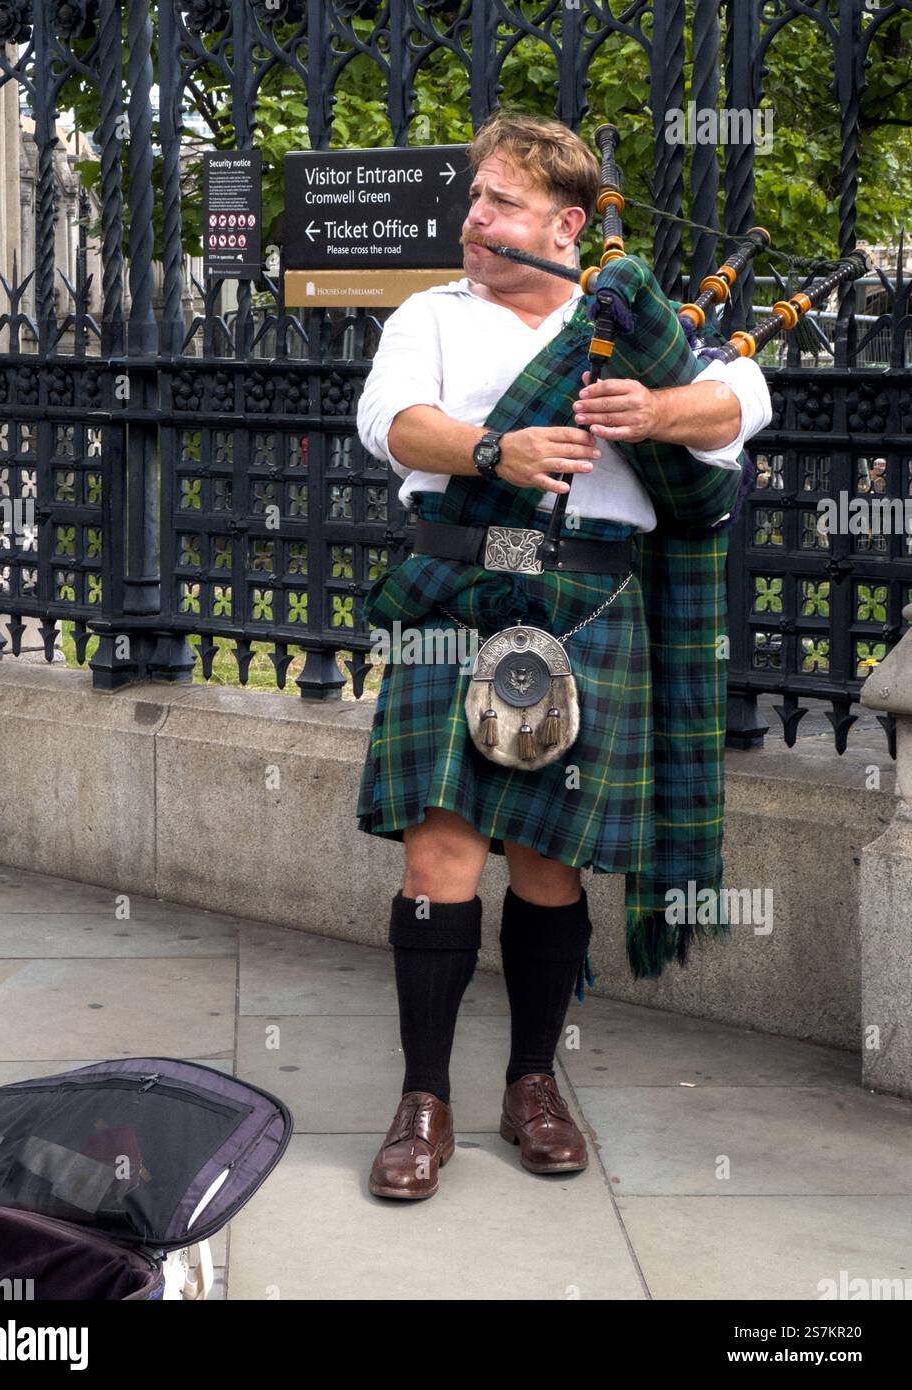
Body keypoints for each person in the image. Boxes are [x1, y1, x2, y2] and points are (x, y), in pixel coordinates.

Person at [355, 112, 772, 1200]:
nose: (476, 218)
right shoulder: (433, 314)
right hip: (462, 587)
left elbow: (738, 408)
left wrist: (657, 407)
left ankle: (533, 1081)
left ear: (568, 222)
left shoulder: (630, 318)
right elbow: (390, 422)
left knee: (548, 860)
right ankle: (424, 1099)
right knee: (437, 853)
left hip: (591, 599)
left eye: (500, 201)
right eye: (475, 198)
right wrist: (498, 447)